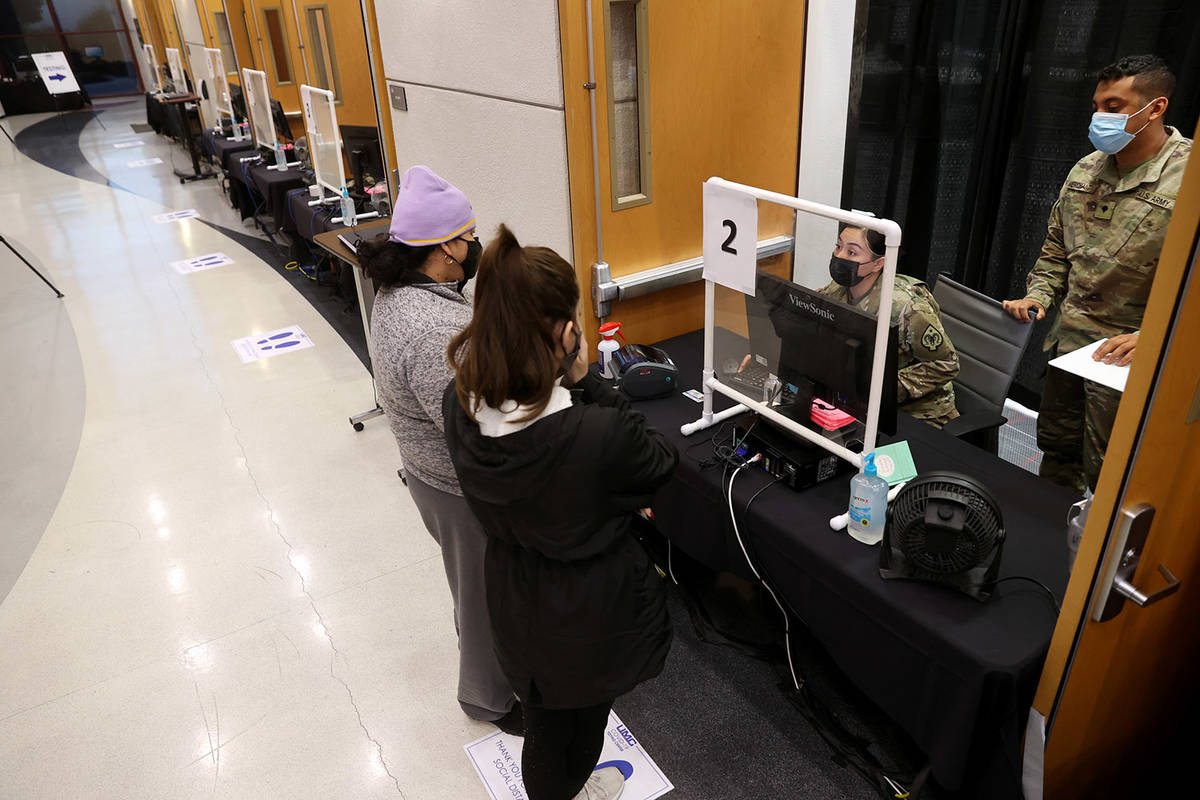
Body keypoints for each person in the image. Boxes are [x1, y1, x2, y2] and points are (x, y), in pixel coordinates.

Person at [443, 225, 678, 800]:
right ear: (557, 331)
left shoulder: (461, 400)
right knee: (583, 723)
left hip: (514, 591)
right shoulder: (590, 432)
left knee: (545, 724)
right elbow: (657, 463)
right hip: (587, 611)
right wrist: (587, 378)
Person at [358, 165, 522, 734]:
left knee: (472, 586)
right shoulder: (432, 330)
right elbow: (479, 426)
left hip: (429, 472)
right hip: (458, 486)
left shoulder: (404, 293)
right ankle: (489, 700)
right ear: (445, 248)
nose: (476, 245)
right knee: (481, 597)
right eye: (470, 235)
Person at [1002, 55, 1192, 492]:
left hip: (1131, 359)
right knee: (1057, 452)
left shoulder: (1190, 180)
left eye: (1113, 106)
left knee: (1114, 476)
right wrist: (1039, 294)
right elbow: (1057, 250)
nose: (1098, 117)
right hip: (1070, 346)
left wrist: (1158, 338)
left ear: (1156, 107)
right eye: (1096, 106)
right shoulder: (1086, 171)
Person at [817, 222, 960, 428]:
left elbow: (947, 364)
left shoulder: (907, 305)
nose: (839, 257)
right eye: (838, 247)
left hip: (919, 413)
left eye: (852, 253)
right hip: (859, 400)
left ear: (878, 264)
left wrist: (884, 389)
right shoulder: (839, 287)